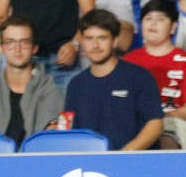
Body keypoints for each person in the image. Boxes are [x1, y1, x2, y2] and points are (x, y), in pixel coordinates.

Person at [65, 8, 165, 150]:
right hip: (90, 167)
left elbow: (155, 124)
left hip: (135, 163)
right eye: (89, 38)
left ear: (115, 41)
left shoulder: (139, 77)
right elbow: (71, 132)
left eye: (102, 38)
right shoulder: (76, 84)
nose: (95, 45)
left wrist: (123, 156)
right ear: (81, 41)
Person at [0, 14, 63, 145]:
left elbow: (51, 143)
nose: (17, 49)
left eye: (24, 42)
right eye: (10, 42)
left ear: (34, 48)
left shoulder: (50, 90)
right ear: (2, 48)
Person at [124, 0, 186, 149]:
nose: (153, 24)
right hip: (132, 124)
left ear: (173, 27)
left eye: (160, 19)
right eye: (148, 18)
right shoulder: (128, 61)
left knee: (162, 139)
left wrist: (156, 117)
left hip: (171, 124)